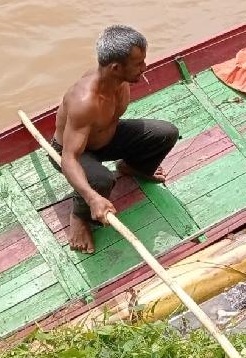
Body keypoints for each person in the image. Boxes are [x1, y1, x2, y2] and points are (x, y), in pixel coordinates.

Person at [52, 25, 179, 253]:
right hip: (73, 151)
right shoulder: (85, 101)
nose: (145, 67)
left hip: (105, 138)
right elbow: (69, 158)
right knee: (101, 180)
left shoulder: (120, 81)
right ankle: (79, 216)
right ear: (116, 68)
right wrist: (92, 198)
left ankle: (132, 166)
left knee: (166, 133)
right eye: (138, 64)